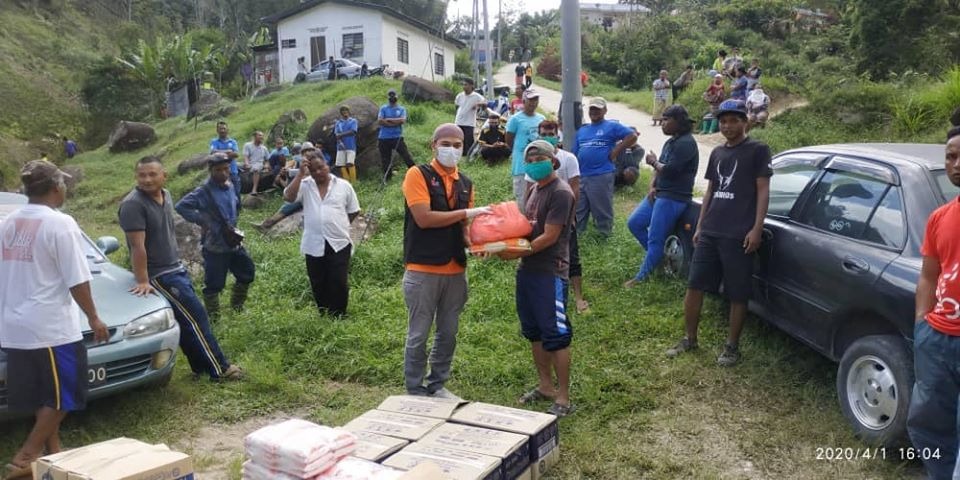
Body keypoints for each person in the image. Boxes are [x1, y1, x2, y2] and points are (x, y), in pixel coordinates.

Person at [0, 160, 109, 479]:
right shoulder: (60, 223)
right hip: (50, 328)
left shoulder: (9, 223)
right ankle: (27, 455)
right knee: (67, 394)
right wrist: (94, 316)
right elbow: (77, 278)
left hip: (15, 327)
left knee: (43, 394)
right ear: (55, 189)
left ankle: (54, 454)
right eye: (63, 185)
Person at [665, 99, 771, 366]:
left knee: (737, 292)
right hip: (711, 230)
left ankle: (732, 347)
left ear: (745, 121)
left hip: (739, 234)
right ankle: (689, 339)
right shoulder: (718, 153)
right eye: (723, 121)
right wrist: (701, 226)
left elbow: (763, 191)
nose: (727, 126)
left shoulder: (758, 150)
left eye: (734, 120)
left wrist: (756, 228)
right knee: (694, 284)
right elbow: (710, 191)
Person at [118, 156, 243, 381]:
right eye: (142, 175)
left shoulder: (166, 196)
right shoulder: (133, 205)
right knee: (197, 317)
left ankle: (201, 368)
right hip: (160, 274)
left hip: (175, 267)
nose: (146, 179)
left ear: (164, 176)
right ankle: (220, 368)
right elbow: (137, 247)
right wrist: (144, 280)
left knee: (186, 321)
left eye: (152, 174)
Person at [401, 123, 491, 398]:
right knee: (418, 334)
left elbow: (463, 228)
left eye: (457, 145)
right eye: (446, 144)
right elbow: (424, 218)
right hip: (422, 268)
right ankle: (415, 389)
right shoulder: (417, 174)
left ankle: (437, 384)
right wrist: (468, 211)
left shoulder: (466, 183)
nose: (451, 150)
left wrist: (477, 244)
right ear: (434, 145)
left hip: (455, 269)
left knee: (448, 333)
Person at [498, 140, 576, 417]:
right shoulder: (533, 190)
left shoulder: (561, 192)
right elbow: (526, 228)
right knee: (534, 332)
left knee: (556, 334)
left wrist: (519, 251)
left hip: (550, 272)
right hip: (528, 270)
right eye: (529, 158)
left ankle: (564, 398)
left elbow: (550, 236)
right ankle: (545, 386)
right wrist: (499, 245)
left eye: (538, 157)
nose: (533, 162)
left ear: (553, 161)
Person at [908, 126, 960, 480]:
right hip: (937, 339)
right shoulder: (940, 217)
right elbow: (929, 275)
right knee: (929, 422)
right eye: (951, 157)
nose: (956, 164)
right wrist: (922, 323)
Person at [625, 105, 699, 287]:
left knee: (656, 238)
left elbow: (671, 170)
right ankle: (658, 259)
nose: (662, 123)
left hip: (673, 197)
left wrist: (653, 162)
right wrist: (652, 186)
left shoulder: (686, 143)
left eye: (667, 120)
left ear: (679, 122)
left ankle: (642, 278)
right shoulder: (671, 141)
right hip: (659, 193)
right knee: (635, 223)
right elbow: (660, 168)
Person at [175, 156, 255, 321]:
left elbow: (235, 207)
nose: (223, 173)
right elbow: (181, 206)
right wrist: (203, 220)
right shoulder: (203, 191)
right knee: (214, 285)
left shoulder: (231, 185)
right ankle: (214, 318)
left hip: (233, 242)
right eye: (218, 170)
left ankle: (237, 308)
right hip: (215, 246)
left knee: (247, 272)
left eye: (226, 169)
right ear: (210, 171)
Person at [283, 150, 361, 317]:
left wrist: (339, 224)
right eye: (313, 170)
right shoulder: (305, 185)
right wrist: (300, 175)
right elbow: (289, 198)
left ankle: (339, 314)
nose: (318, 172)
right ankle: (324, 313)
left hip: (339, 241)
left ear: (327, 165)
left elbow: (354, 210)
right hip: (313, 242)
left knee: (338, 281)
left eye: (321, 167)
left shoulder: (343, 185)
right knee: (318, 280)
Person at [535, 120, 590, 314]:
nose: (547, 135)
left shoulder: (568, 158)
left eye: (550, 132)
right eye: (543, 133)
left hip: (565, 217)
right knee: (546, 258)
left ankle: (578, 298)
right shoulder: (534, 161)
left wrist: (571, 218)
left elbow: (575, 190)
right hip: (543, 221)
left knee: (571, 258)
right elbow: (530, 193)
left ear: (557, 134)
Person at [572, 97, 638, 237]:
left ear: (605, 110)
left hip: (601, 174)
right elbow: (574, 153)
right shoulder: (582, 130)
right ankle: (578, 236)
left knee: (601, 207)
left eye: (598, 109)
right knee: (580, 208)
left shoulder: (611, 126)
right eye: (592, 109)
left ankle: (604, 234)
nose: (594, 111)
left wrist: (616, 151)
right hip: (582, 174)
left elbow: (632, 136)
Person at [506, 89, 545, 209]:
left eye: (535, 100)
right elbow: (509, 140)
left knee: (539, 201)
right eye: (530, 100)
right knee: (523, 201)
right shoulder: (515, 119)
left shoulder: (541, 118)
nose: (533, 103)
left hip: (539, 165)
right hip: (522, 167)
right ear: (523, 101)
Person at [378, 89, 415, 181]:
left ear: (397, 97)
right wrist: (395, 122)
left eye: (393, 95)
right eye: (390, 96)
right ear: (388, 98)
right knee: (385, 159)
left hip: (397, 137)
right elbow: (380, 121)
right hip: (383, 138)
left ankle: (416, 173)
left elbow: (402, 120)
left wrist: (388, 120)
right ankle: (387, 178)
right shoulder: (383, 108)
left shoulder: (401, 109)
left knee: (406, 156)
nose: (392, 97)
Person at [209, 121, 241, 202]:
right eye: (220, 129)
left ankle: (238, 210)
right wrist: (228, 151)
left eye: (224, 128)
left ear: (227, 130)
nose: (222, 130)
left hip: (233, 171)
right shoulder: (214, 141)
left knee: (236, 193)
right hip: (219, 173)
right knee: (222, 194)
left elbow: (236, 154)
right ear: (217, 130)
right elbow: (213, 153)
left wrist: (219, 152)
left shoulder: (233, 141)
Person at [454, 78, 486, 155]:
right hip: (459, 121)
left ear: (471, 86)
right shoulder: (460, 95)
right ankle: (459, 154)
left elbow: (485, 102)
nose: (464, 86)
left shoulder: (476, 96)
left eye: (466, 85)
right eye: (463, 85)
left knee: (468, 140)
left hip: (469, 122)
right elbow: (457, 105)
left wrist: (478, 104)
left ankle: (468, 155)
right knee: (458, 138)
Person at [334, 105, 359, 183]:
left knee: (350, 163)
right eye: (343, 111)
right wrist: (339, 139)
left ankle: (353, 181)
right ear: (341, 113)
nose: (345, 113)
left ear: (349, 112)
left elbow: (353, 131)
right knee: (341, 165)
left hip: (350, 145)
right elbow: (336, 134)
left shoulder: (353, 121)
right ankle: (347, 182)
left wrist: (340, 135)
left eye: (346, 111)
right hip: (340, 146)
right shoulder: (338, 123)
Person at [242, 131, 269, 196]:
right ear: (255, 137)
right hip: (249, 163)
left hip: (258, 164)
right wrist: (247, 163)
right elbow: (245, 156)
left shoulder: (264, 148)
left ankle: (254, 189)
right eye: (259, 135)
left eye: (262, 136)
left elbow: (267, 159)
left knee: (256, 169)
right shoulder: (247, 145)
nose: (261, 137)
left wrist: (266, 165)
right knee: (236, 165)